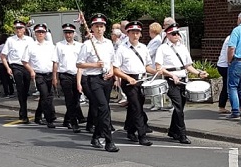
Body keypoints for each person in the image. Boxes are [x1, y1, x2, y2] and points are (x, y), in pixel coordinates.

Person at [155, 23, 208, 144]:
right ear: (167, 35)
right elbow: (159, 68)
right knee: (178, 107)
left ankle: (173, 131)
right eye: (173, 34)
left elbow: (188, 66)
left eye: (177, 33)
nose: (176, 36)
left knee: (180, 107)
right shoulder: (162, 48)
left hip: (183, 80)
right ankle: (182, 134)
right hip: (171, 81)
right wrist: (171, 75)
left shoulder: (183, 48)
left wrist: (199, 73)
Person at [76, 13, 119, 153]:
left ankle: (95, 137)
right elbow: (79, 64)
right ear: (92, 28)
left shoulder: (108, 43)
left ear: (105, 28)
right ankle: (108, 141)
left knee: (102, 110)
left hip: (106, 79)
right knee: (104, 108)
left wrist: (112, 72)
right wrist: (94, 64)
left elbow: (112, 61)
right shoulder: (87, 44)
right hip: (93, 80)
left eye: (101, 26)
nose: (99, 29)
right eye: (96, 26)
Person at [113, 21, 160, 146]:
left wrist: (156, 71)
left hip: (142, 81)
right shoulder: (122, 49)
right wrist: (127, 78)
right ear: (127, 33)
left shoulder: (143, 48)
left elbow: (147, 66)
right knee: (137, 107)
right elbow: (115, 69)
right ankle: (142, 135)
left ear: (140, 34)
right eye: (132, 32)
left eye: (137, 32)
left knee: (135, 106)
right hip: (129, 81)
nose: (135, 35)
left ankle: (130, 129)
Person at [22, 23, 56, 128]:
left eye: (42, 32)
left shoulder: (51, 45)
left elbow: (55, 61)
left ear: (45, 33)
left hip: (49, 74)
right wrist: (31, 71)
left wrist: (55, 75)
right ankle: (49, 119)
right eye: (38, 32)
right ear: (35, 33)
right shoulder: (31, 46)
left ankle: (38, 116)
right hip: (39, 75)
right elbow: (24, 61)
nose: (40, 34)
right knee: (45, 95)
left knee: (47, 96)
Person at [1, 20, 34, 123]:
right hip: (16, 66)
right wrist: (8, 68)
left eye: (20, 28)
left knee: (25, 91)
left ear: (24, 29)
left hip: (27, 67)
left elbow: (33, 55)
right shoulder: (10, 40)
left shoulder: (30, 40)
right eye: (17, 28)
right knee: (20, 89)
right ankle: (24, 115)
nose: (18, 30)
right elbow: (3, 56)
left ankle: (21, 109)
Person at [52, 23, 83, 133]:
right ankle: (74, 123)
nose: (68, 35)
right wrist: (54, 77)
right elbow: (55, 62)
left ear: (74, 34)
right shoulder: (59, 45)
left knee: (76, 100)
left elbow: (83, 62)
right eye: (66, 33)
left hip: (77, 75)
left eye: (70, 33)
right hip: (65, 75)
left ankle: (67, 119)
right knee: (69, 99)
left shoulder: (80, 46)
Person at [146, 22, 163, 111]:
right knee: (151, 84)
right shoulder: (153, 40)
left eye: (150, 30)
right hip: (151, 66)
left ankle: (157, 104)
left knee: (155, 84)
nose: (149, 32)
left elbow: (150, 52)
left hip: (154, 66)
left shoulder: (157, 40)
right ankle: (153, 103)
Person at [0, 34, 14, 98]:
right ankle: (12, 91)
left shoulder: (2, 46)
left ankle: (6, 92)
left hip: (1, 63)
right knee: (9, 78)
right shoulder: (10, 46)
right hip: (8, 62)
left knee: (4, 79)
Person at [217, 35, 231, 114]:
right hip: (225, 66)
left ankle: (222, 106)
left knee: (226, 86)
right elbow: (231, 50)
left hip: (222, 65)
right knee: (229, 87)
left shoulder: (229, 37)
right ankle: (237, 108)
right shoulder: (233, 38)